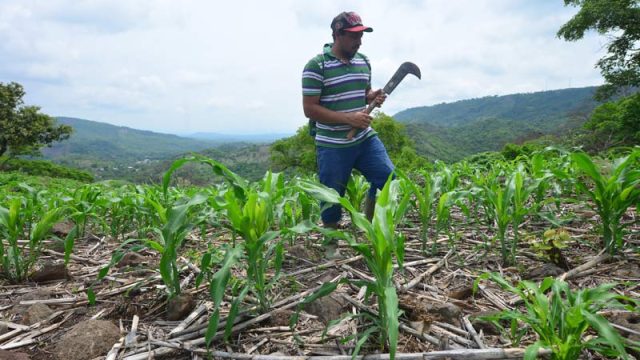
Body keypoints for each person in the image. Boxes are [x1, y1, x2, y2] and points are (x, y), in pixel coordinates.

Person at [302, 11, 395, 256]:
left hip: (364, 138)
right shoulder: (316, 66)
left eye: (361, 35)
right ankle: (331, 244)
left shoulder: (363, 61)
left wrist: (371, 96)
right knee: (332, 197)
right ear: (337, 34)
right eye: (354, 36)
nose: (359, 41)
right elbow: (309, 109)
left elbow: (361, 92)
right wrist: (348, 119)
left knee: (388, 179)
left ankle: (371, 225)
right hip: (332, 144)